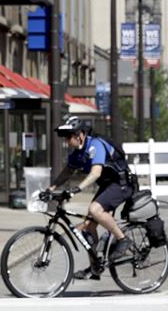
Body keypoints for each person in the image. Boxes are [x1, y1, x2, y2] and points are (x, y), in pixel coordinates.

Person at [49, 116, 133, 274]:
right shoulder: (77, 153)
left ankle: (123, 239)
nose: (67, 141)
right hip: (108, 186)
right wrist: (50, 188)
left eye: (69, 137)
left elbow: (96, 173)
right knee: (87, 228)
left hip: (121, 184)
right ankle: (95, 267)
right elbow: (67, 172)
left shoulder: (95, 145)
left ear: (80, 135)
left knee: (94, 210)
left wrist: (76, 189)